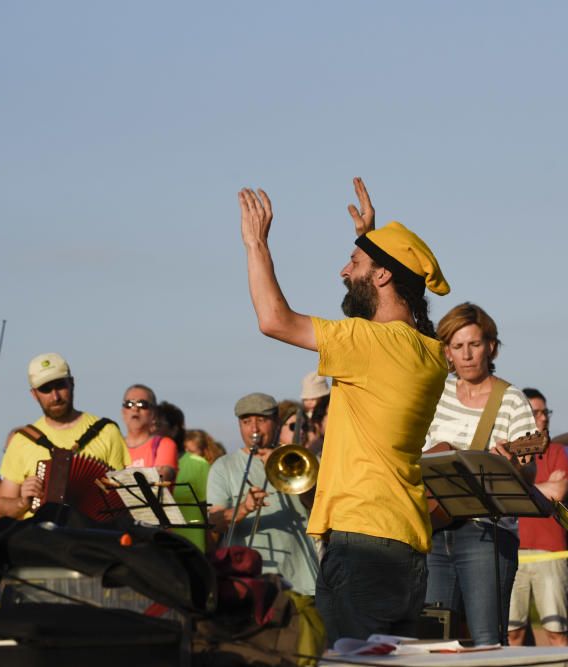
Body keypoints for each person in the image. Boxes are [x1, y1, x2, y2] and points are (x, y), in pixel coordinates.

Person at [238, 177, 450, 644]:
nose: (342, 271)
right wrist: (370, 242)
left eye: (353, 263)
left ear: (382, 276)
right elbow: (374, 320)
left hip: (363, 542)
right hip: (404, 540)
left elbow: (273, 318)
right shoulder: (428, 351)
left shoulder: (371, 345)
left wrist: (256, 244)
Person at [422, 303, 536, 646]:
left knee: (487, 639)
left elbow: (528, 473)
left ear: (491, 346)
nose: (467, 355)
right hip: (433, 530)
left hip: (486, 532)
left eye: (474, 344)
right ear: (447, 352)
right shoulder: (434, 394)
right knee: (433, 638)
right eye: (458, 346)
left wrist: (512, 465)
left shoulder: (511, 400)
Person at [205, 393, 319, 597]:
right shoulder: (224, 466)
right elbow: (215, 521)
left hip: (301, 579)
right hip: (247, 580)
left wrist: (282, 470)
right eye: (246, 422)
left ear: (275, 422)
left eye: (261, 420)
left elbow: (317, 506)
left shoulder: (295, 457)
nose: (254, 429)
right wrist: (244, 508)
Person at [0, 353, 130, 519]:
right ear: (34, 394)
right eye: (45, 389)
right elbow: (0, 509)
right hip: (40, 539)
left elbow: (125, 499)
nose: (55, 396)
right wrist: (23, 502)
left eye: (60, 385)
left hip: (92, 536)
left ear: (72, 383)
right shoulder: (22, 440)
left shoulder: (106, 432)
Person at [506, 388, 568, 647]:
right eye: (536, 413)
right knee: (512, 633)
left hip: (551, 551)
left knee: (556, 632)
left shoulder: (556, 450)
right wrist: (539, 488)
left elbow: (557, 493)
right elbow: (503, 492)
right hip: (513, 549)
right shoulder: (509, 454)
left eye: (546, 412)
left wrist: (519, 489)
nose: (543, 418)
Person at [121, 385, 178, 482]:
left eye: (142, 404)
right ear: (123, 412)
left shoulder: (164, 444)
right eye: (129, 404)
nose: (135, 409)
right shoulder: (114, 446)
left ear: (153, 413)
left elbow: (160, 479)